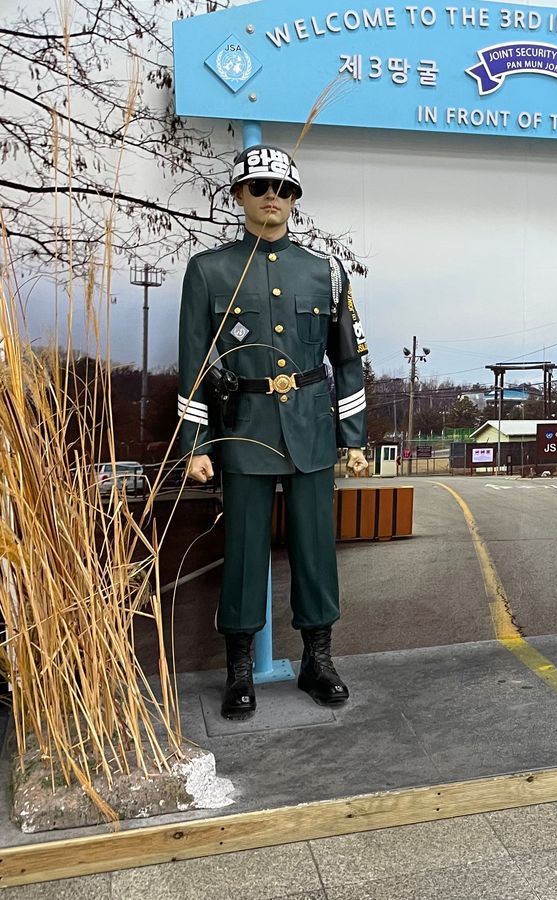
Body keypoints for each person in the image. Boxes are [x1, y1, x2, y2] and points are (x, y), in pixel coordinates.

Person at [177, 144, 370, 720]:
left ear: (294, 199)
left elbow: (348, 360)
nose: (271, 196)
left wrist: (353, 437)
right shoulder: (209, 270)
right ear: (239, 194)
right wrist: (196, 445)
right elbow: (194, 364)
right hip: (244, 429)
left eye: (283, 188)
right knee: (242, 552)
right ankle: (239, 670)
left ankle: (318, 659)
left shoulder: (324, 272)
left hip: (311, 428)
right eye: (259, 186)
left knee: (316, 551)